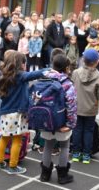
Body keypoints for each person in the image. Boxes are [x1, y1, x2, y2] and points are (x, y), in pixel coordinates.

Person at [0, 51, 47, 174]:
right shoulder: (20, 75)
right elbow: (35, 74)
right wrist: (50, 69)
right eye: (24, 62)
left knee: (4, 137)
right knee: (17, 140)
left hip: (5, 112)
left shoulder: (2, 73)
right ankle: (13, 166)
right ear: (20, 64)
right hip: (18, 113)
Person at [40, 54, 77, 184]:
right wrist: (71, 124)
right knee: (65, 146)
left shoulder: (44, 78)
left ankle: (45, 174)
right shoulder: (67, 83)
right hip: (61, 120)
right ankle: (62, 175)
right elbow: (71, 105)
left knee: (48, 145)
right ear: (67, 68)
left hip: (46, 118)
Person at [71, 49, 99, 164]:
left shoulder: (76, 73)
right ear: (97, 62)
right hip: (91, 109)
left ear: (83, 59)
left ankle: (76, 153)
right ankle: (86, 155)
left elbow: (71, 87)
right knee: (88, 131)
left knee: (77, 130)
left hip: (77, 107)